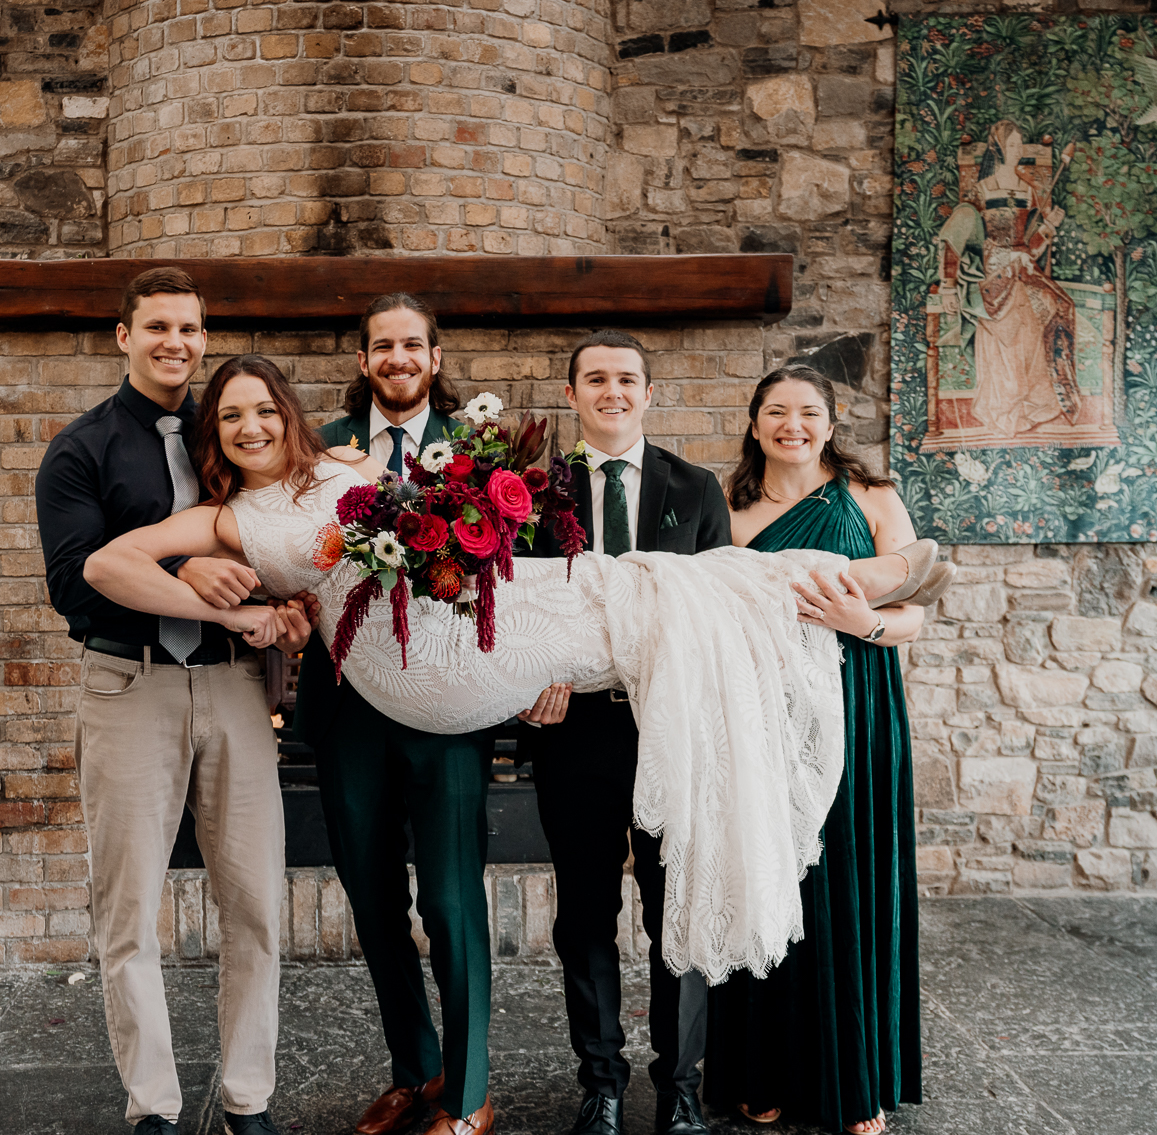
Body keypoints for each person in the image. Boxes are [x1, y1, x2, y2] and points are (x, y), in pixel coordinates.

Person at [84, 357, 951, 999]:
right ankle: (861, 576)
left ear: (289, 414)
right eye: (232, 416)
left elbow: (436, 516)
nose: (252, 427)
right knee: (631, 595)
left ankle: (849, 582)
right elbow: (108, 566)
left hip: (459, 617)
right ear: (216, 435)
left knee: (637, 592)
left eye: (265, 410)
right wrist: (227, 607)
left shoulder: (348, 466)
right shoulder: (221, 519)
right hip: (413, 665)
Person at [34, 267, 305, 1135]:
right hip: (130, 687)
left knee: (257, 906)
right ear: (124, 337)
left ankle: (247, 1098)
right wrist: (203, 585)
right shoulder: (81, 451)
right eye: (157, 327)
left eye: (189, 328)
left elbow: (284, 542)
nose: (176, 343)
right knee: (128, 913)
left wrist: (285, 611)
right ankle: (151, 1110)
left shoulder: (234, 434)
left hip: (235, 693)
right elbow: (79, 583)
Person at [285, 295, 501, 1135]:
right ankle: (416, 1070)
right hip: (347, 708)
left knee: (449, 904)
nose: (398, 357)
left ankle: (472, 1094)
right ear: (365, 358)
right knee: (372, 900)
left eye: (413, 344)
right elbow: (293, 554)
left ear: (436, 356)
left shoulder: (485, 454)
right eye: (383, 346)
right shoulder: (319, 448)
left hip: (448, 709)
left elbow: (522, 572)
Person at [515, 331, 728, 1135]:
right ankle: (599, 1089)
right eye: (595, 378)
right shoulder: (531, 492)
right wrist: (531, 680)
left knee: (675, 912)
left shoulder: (694, 487)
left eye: (627, 379)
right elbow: (514, 609)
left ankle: (680, 1091)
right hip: (575, 734)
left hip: (670, 732)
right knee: (584, 917)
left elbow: (718, 613)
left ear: (649, 394)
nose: (613, 391)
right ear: (572, 395)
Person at [706, 366, 935, 1135]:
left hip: (860, 707)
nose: (792, 425)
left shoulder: (873, 501)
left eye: (808, 412)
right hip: (764, 717)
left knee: (846, 877)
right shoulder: (729, 511)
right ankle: (760, 1070)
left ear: (831, 424)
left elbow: (913, 615)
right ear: (755, 423)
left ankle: (855, 1074)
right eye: (776, 411)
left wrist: (857, 620)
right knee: (772, 876)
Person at [935, 118, 1078, 439]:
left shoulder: (1029, 191)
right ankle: (1003, 405)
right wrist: (948, 285)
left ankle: (1030, 402)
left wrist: (1048, 227)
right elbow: (956, 237)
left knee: (1052, 309)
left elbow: (1030, 247)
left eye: (1019, 146)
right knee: (1008, 338)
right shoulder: (981, 191)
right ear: (998, 149)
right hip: (990, 275)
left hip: (1021, 272)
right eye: (1011, 145)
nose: (1017, 151)